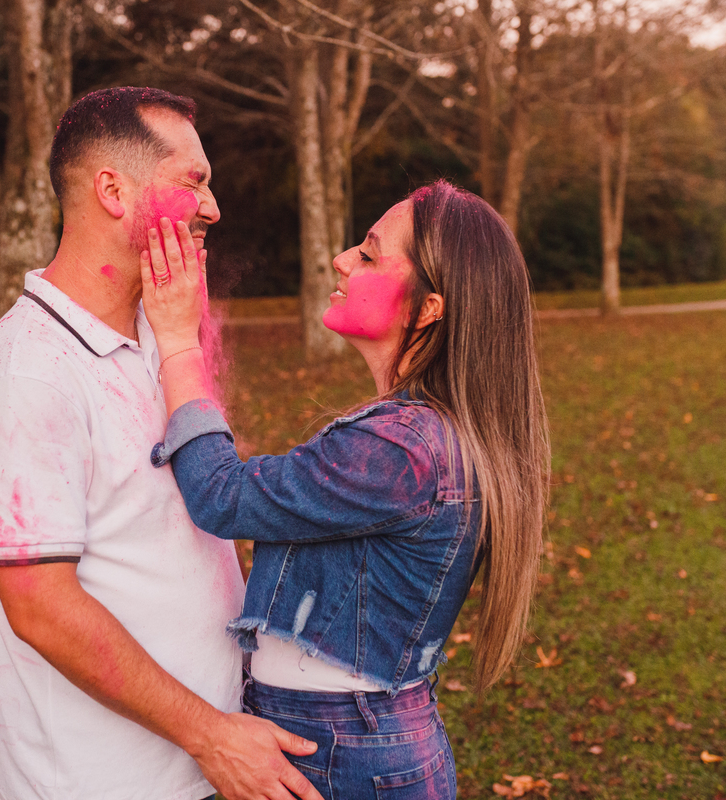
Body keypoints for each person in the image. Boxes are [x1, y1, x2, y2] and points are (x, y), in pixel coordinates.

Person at [0, 87, 322, 800]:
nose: (213, 207)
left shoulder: (164, 339)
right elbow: (40, 607)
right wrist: (209, 734)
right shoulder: (26, 370)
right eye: (195, 181)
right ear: (114, 190)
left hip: (206, 765)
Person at [141, 180, 551, 799]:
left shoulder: (400, 449)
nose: (341, 260)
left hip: (341, 754)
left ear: (431, 307)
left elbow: (222, 496)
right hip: (358, 741)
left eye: (368, 252)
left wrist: (176, 340)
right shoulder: (428, 433)